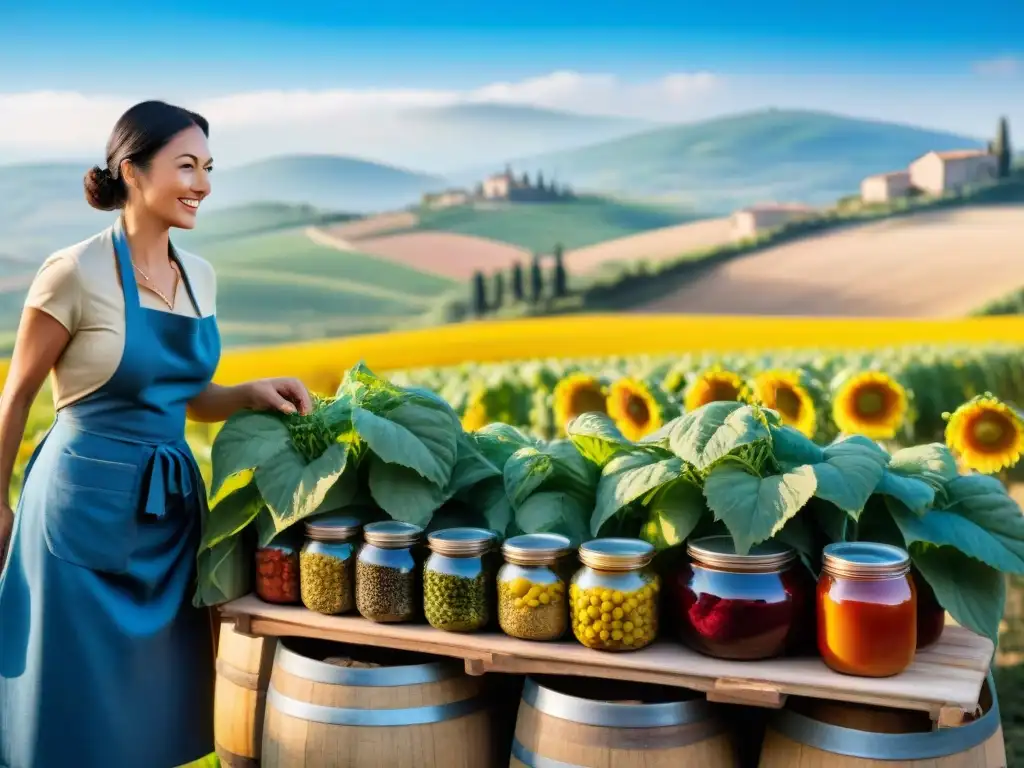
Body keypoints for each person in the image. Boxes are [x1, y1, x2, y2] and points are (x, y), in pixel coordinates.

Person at [0, 100, 312, 768]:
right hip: (81, 509)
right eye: (186, 166)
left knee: (158, 702)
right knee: (74, 702)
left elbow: (185, 395)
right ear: (132, 171)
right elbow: (17, 395)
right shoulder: (73, 272)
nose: (202, 183)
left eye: (207, 167)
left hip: (167, 515)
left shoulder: (198, 276)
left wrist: (248, 394)